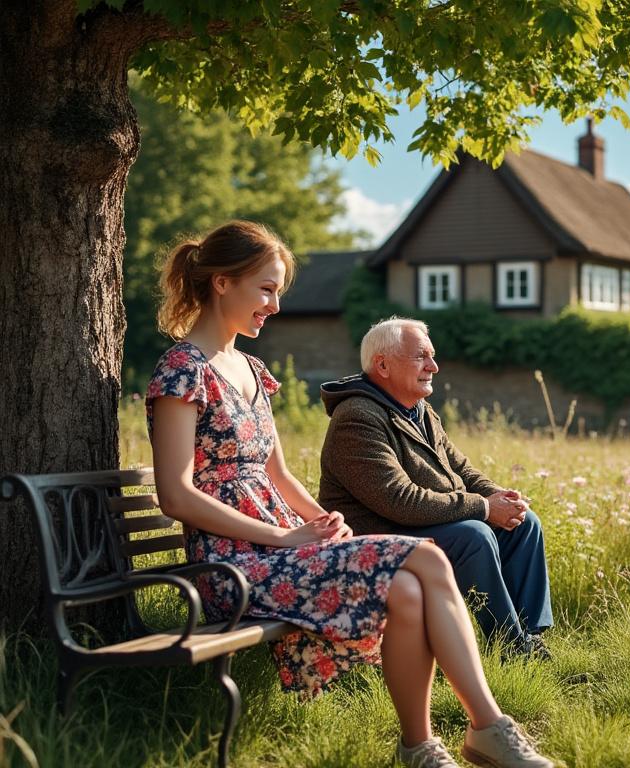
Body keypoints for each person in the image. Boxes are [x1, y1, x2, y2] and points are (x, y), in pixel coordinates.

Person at [146, 221, 553, 768]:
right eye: (266, 289)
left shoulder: (251, 369)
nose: (275, 305)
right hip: (232, 564)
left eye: (278, 292)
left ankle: (420, 748)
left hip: (282, 548)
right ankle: (490, 728)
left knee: (408, 592)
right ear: (222, 283)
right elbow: (175, 493)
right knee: (427, 556)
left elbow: (280, 477)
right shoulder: (182, 371)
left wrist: (325, 523)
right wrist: (283, 535)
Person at [318, 318, 553, 658]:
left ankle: (529, 638)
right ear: (382, 365)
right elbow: (401, 501)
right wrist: (485, 508)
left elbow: (460, 468)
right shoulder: (357, 418)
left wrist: (501, 497)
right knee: (475, 535)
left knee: (524, 523)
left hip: (421, 526)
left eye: (432, 356)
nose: (434, 366)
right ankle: (509, 646)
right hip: (379, 540)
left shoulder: (419, 410)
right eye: (421, 357)